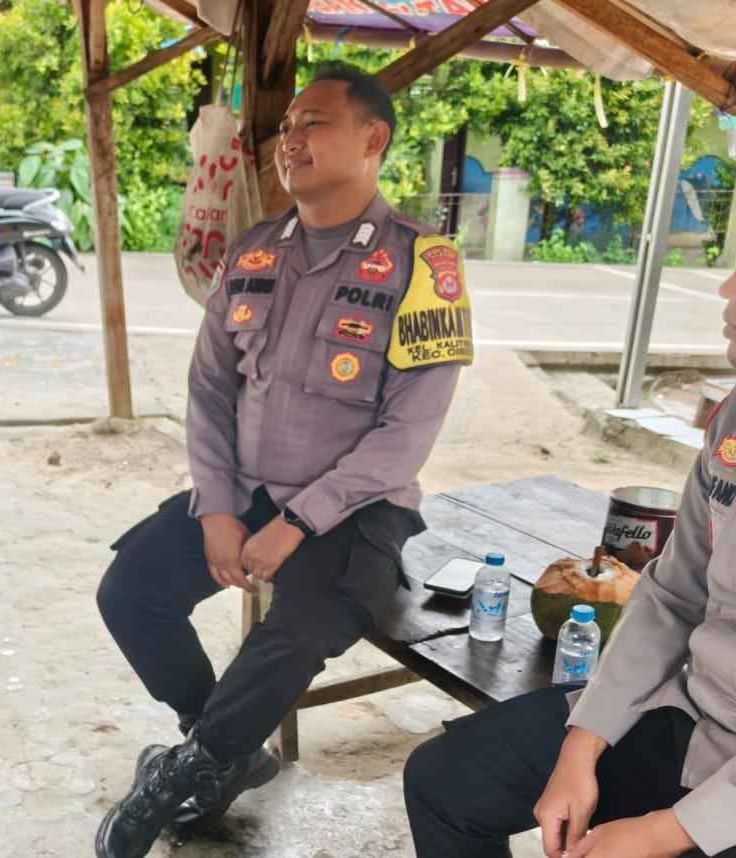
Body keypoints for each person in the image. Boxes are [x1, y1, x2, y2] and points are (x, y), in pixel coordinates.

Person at [403, 132, 736, 858]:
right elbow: (672, 592)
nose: (731, 288)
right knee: (446, 779)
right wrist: (582, 744)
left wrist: (667, 832)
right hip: (700, 721)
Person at [94, 63, 470, 858]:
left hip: (358, 509)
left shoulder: (424, 266)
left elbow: (407, 432)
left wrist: (298, 522)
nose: (290, 139)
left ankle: (188, 771)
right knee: (131, 590)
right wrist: (218, 507)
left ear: (373, 139)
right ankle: (222, 748)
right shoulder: (254, 251)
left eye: (315, 123)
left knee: (298, 630)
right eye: (288, 125)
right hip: (248, 490)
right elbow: (210, 389)